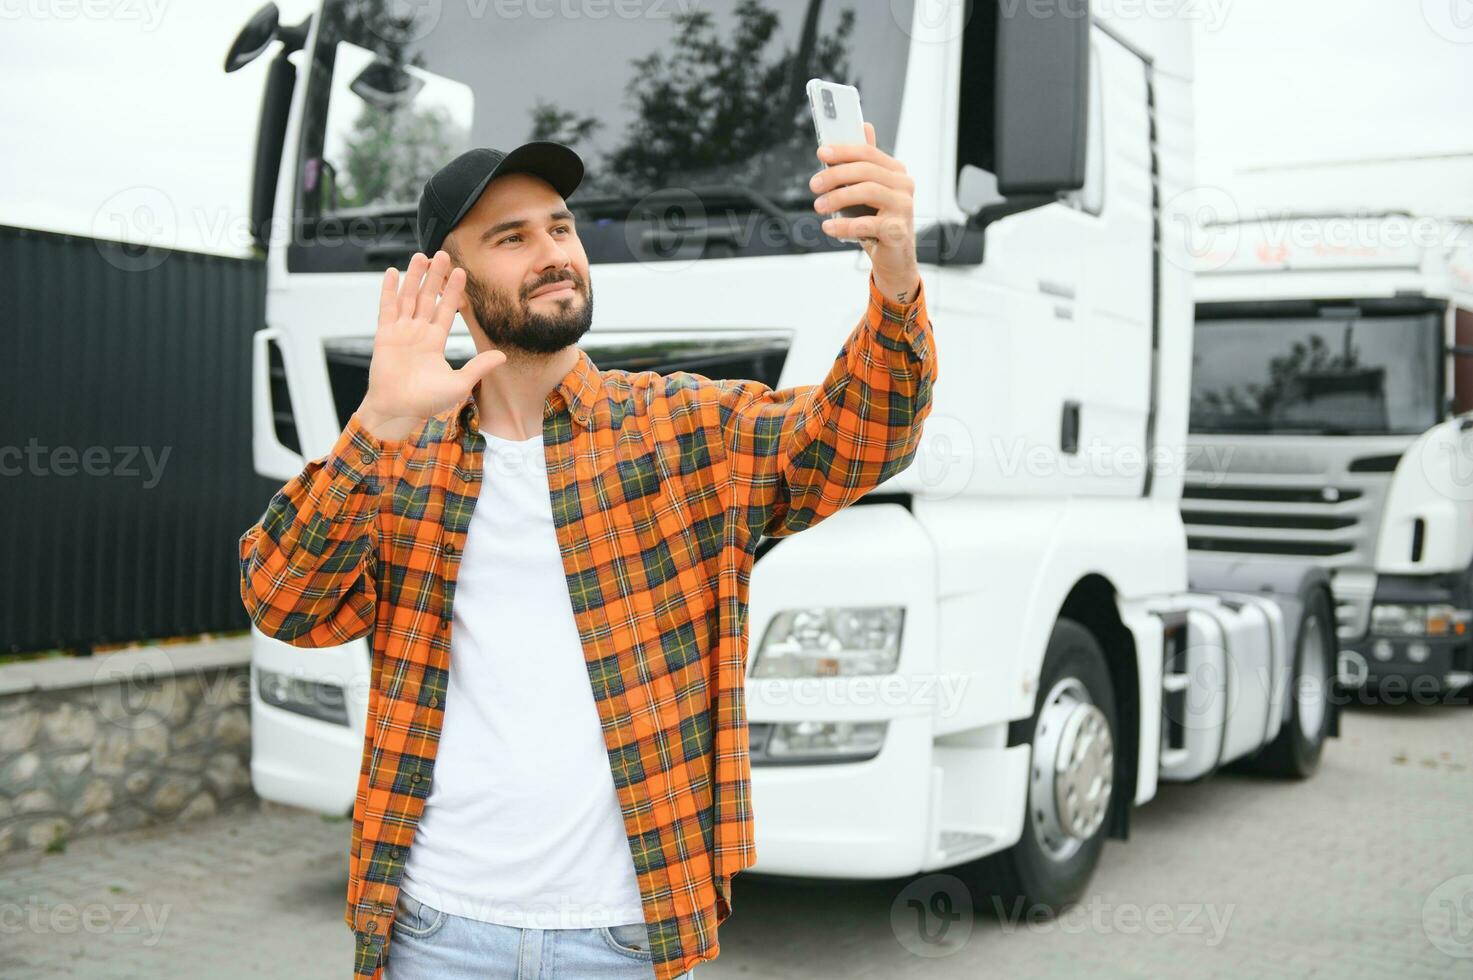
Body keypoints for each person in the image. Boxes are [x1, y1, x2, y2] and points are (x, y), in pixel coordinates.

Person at [238, 127, 937, 980]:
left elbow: (864, 433)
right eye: (511, 237)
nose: (551, 252)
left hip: (618, 938)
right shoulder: (399, 463)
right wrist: (374, 425)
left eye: (560, 227)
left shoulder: (682, 431)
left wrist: (894, 272)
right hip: (432, 930)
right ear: (450, 287)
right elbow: (282, 601)